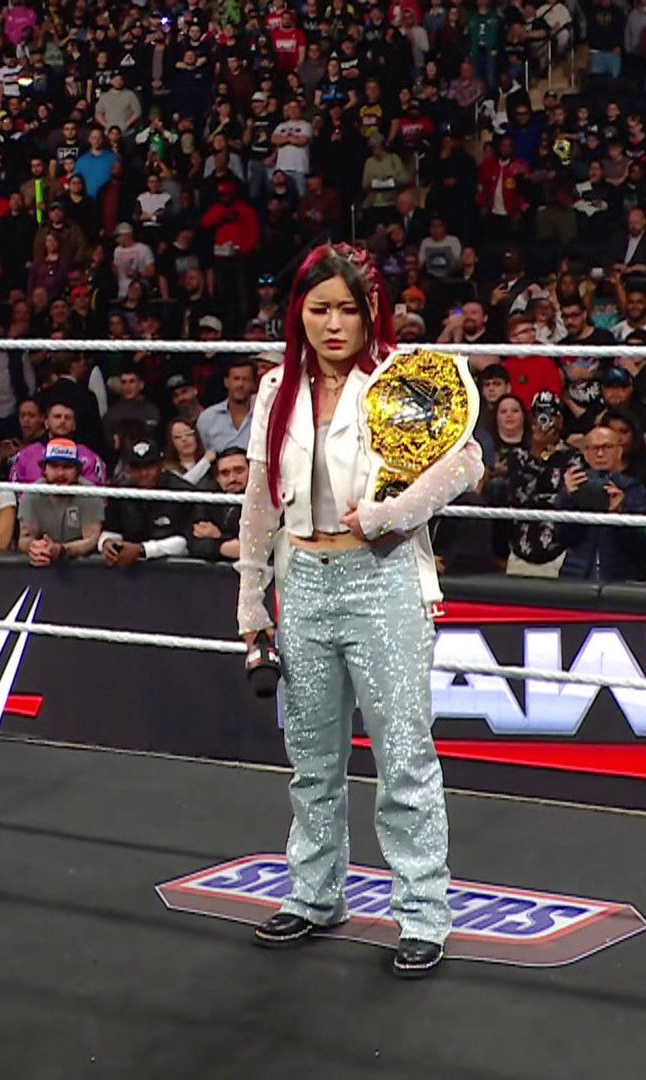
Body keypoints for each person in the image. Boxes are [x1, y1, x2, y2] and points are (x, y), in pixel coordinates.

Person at [234, 242, 482, 979]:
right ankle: (314, 896)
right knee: (311, 758)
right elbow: (258, 502)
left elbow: (468, 462)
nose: (334, 323)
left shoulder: (401, 378)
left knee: (403, 755)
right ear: (299, 313)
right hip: (304, 583)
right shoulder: (277, 387)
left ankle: (423, 913)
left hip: (383, 581)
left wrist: (390, 514)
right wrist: (251, 600)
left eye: (347, 308)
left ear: (372, 311)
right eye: (320, 308)